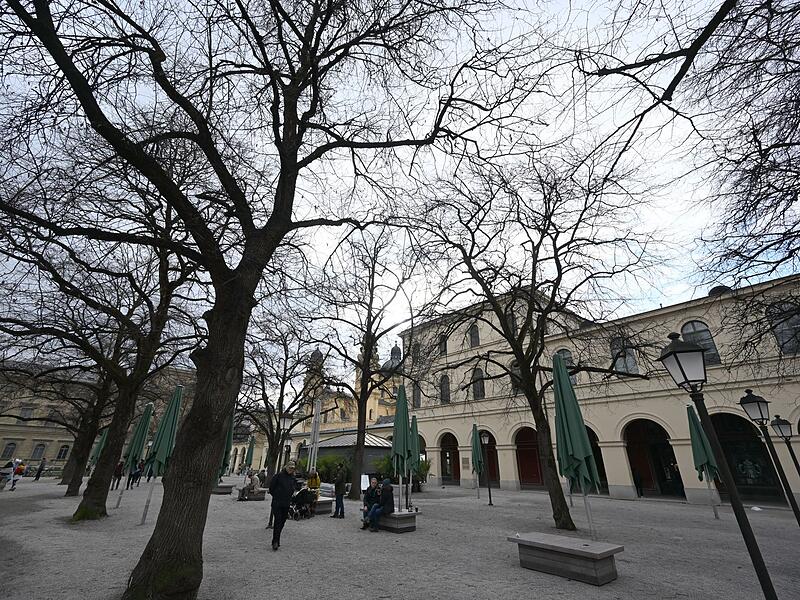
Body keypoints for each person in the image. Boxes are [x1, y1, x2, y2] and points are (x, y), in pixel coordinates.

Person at [268, 461, 297, 551]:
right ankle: (275, 542)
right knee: (278, 521)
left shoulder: (293, 478)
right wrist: (277, 496)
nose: (291, 469)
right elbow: (271, 488)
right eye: (290, 468)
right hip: (277, 503)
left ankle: (277, 539)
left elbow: (293, 488)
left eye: (293, 468)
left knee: (282, 522)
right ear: (286, 467)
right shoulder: (278, 476)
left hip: (286, 503)